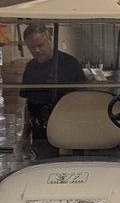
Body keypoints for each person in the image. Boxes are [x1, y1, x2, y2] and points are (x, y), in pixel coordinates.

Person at [19, 24, 86, 159]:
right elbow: (28, 103)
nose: (37, 50)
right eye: (32, 47)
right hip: (41, 131)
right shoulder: (31, 68)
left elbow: (82, 99)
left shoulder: (70, 64)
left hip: (70, 126)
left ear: (50, 38)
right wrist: (25, 134)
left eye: (40, 45)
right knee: (44, 165)